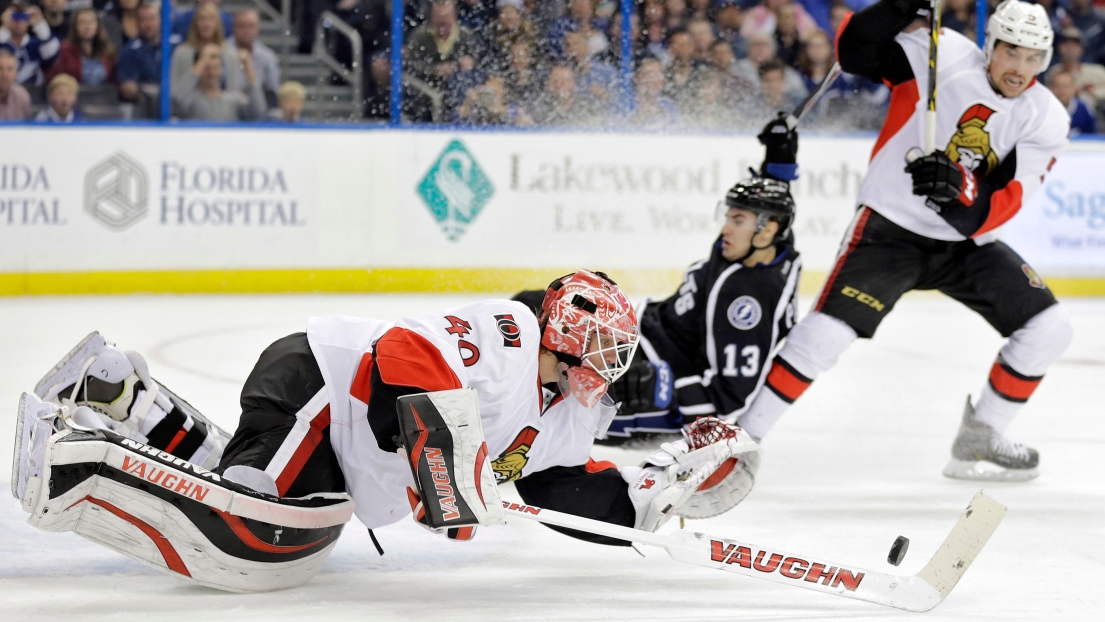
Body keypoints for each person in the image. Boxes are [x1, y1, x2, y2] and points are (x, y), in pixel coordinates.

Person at [12, 271, 757, 591]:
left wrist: (649, 498)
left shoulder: (570, 414)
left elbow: (559, 488)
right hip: (322, 390)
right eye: (602, 349)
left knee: (275, 539)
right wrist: (453, 469)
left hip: (344, 463)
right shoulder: (507, 332)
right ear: (562, 334)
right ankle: (73, 462)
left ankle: (122, 392)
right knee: (242, 526)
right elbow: (402, 355)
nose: (611, 366)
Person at [734, 0, 1073, 482]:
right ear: (989, 45)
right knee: (825, 336)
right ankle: (739, 440)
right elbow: (854, 52)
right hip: (890, 228)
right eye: (1010, 52)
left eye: (1032, 57)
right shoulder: (944, 54)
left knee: (1051, 329)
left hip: (964, 245)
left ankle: (982, 435)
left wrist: (961, 187)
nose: (1019, 68)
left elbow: (1000, 206)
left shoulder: (1047, 118)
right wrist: (898, 5)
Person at [515, 119, 803, 444]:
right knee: (534, 307)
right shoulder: (758, 249)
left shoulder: (747, 301)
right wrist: (780, 161)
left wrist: (662, 390)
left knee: (552, 381)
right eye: (728, 217)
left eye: (737, 220)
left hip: (652, 373)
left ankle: (494, 418)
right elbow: (773, 211)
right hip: (639, 338)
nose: (726, 228)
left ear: (767, 231)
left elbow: (729, 398)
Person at [170, 2, 244, 110]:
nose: (206, 24)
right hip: (189, 113)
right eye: (202, 19)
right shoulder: (182, 53)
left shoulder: (230, 54)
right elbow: (175, 94)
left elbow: (235, 91)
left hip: (224, 113)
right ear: (195, 24)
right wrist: (202, 61)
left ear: (217, 23)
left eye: (210, 19)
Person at [172, 41, 265, 121]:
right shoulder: (191, 100)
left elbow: (258, 112)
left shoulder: (234, 99)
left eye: (215, 68)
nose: (212, 73)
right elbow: (175, 99)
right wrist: (202, 60)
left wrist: (249, 70)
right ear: (199, 69)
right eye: (206, 68)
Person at [44, 8, 116, 86]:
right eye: (82, 22)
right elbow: (53, 79)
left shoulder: (107, 50)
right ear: (75, 26)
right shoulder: (64, 50)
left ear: (97, 26)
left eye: (91, 22)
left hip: (103, 96)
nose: (87, 27)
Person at [116, 1, 160, 115]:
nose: (148, 24)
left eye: (152, 19)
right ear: (137, 23)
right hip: (142, 108)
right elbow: (128, 88)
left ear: (160, 20)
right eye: (143, 20)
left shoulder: (174, 45)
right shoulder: (130, 50)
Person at [0, 2, 60, 85]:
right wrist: (3, 27)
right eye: (14, 17)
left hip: (34, 91)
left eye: (23, 17)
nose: (18, 22)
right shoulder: (2, 42)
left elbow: (51, 56)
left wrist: (40, 24)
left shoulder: (36, 44)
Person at [231, 9, 279, 108]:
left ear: (257, 29)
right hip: (228, 107)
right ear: (234, 27)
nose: (246, 31)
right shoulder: (222, 53)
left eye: (251, 26)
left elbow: (273, 92)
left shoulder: (268, 57)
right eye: (242, 26)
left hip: (258, 108)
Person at [1049, 69, 1096, 136]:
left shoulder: (1084, 109)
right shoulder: (1041, 110)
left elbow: (1092, 137)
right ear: (1050, 88)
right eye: (1057, 86)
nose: (1061, 91)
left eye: (1066, 86)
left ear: (1074, 88)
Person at [0, 48, 30, 120]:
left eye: (10, 69)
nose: (5, 75)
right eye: (0, 68)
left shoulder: (22, 96)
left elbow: (26, 128)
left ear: (16, 74)